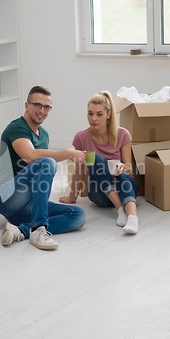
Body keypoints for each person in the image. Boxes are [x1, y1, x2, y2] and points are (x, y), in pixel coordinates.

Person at [0, 86, 87, 250]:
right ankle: (38, 230)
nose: (42, 110)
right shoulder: (17, 127)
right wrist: (67, 153)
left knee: (78, 216)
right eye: (37, 105)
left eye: (46, 107)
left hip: (27, 205)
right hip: (7, 197)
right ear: (26, 105)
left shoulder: (43, 134)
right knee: (48, 162)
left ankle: (22, 230)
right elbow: (29, 155)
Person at [59, 91, 139, 234]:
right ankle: (120, 209)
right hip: (100, 193)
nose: (93, 118)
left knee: (121, 175)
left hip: (125, 188)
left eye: (99, 114)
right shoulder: (81, 138)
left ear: (108, 114)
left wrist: (122, 168)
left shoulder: (123, 134)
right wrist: (72, 196)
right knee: (97, 158)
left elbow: (129, 168)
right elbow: (79, 170)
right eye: (90, 113)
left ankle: (132, 218)